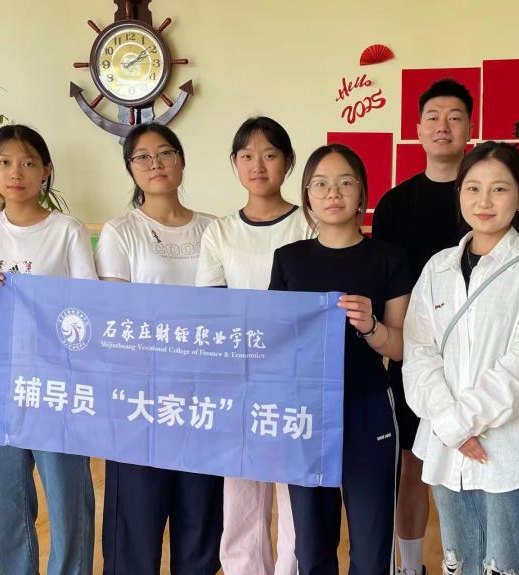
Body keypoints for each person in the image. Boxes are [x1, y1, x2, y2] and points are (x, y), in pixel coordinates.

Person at [371, 79, 519, 575]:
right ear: (417, 129)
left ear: (469, 128)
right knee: (415, 465)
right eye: (433, 117)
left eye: (455, 117)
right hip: (421, 361)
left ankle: (477, 562)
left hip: (486, 367)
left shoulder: (496, 203)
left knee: (484, 462)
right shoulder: (394, 204)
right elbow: (385, 282)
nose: (443, 126)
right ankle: (410, 565)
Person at [403, 142, 519, 575]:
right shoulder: (437, 268)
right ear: (459, 193)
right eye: (473, 188)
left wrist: (459, 422)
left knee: (511, 566)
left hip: (507, 451)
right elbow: (418, 354)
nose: (484, 201)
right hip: (446, 450)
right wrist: (449, 422)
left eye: (499, 189)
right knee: (461, 563)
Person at [0, 124, 96, 575]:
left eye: (30, 163)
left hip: (56, 387)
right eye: (6, 162)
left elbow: (88, 309)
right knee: (7, 500)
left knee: (68, 497)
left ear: (46, 171)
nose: (17, 172)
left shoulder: (67, 231)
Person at [270, 144, 409, 574]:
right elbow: (275, 344)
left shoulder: (390, 258)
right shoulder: (288, 260)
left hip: (369, 409)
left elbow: (402, 347)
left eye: (345, 182)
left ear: (363, 193)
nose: (333, 193)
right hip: (306, 414)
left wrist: (371, 326)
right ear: (307, 195)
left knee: (371, 548)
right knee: (312, 547)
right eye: (321, 184)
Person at [96, 122, 223, 574]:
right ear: (130, 168)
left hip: (204, 394)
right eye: (143, 157)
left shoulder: (215, 229)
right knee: (135, 522)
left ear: (181, 161)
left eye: (166, 153)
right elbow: (116, 319)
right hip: (142, 397)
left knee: (201, 520)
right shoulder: (120, 231)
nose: (156, 164)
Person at [196, 116, 312, 575]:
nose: (258, 165)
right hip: (237, 377)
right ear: (234, 163)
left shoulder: (308, 224)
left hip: (294, 377)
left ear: (288, 162)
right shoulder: (220, 232)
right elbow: (212, 309)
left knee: (294, 489)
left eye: (269, 155)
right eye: (247, 156)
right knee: (241, 488)